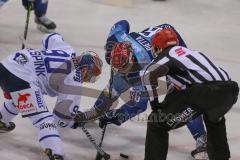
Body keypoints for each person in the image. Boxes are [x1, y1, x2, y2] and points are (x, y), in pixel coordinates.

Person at [73, 20, 208, 159]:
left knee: (180, 92)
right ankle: (94, 111)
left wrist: (116, 115)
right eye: (116, 67)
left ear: (132, 59)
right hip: (148, 44)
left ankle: (202, 139)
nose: (120, 71)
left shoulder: (144, 65)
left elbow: (139, 105)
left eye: (124, 68)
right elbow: (122, 23)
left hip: (169, 41)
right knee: (115, 84)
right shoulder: (116, 38)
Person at [0, 33, 103, 160]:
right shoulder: (74, 80)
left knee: (22, 100)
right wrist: (75, 121)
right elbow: (61, 119)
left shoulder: (68, 50)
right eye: (89, 76)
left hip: (8, 63)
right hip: (22, 79)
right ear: (84, 70)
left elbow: (50, 36)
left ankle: (1, 120)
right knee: (45, 120)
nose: (87, 80)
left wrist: (40, 60)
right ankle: (56, 154)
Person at [141, 28, 239, 160]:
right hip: (230, 91)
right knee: (213, 121)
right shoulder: (192, 53)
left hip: (203, 93)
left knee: (156, 123)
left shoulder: (169, 53)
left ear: (158, 47)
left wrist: (155, 105)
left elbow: (147, 75)